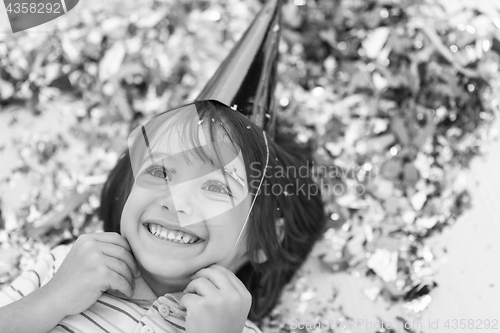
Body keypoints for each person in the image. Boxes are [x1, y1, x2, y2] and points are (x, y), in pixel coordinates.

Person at [0, 100, 326, 333]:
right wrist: (52, 298)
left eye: (216, 186)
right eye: (159, 171)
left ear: (264, 236)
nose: (175, 201)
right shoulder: (66, 267)